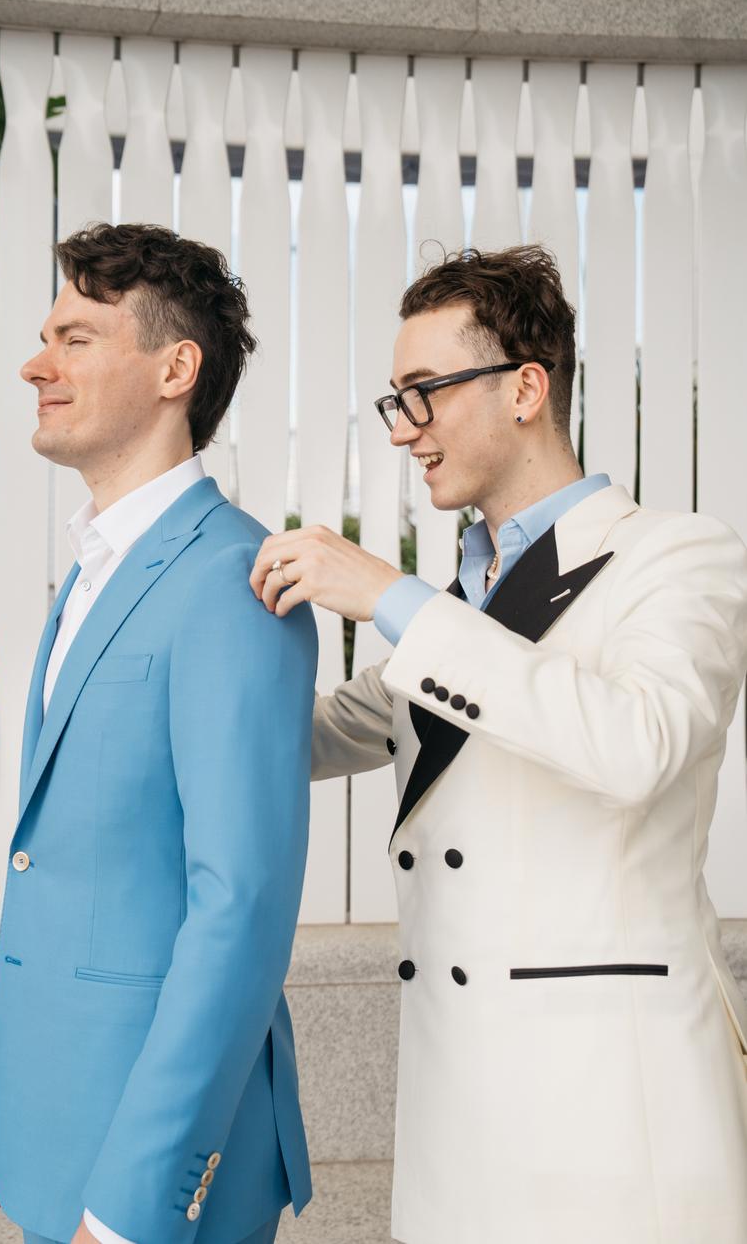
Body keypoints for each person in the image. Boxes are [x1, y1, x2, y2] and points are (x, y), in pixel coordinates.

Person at [250, 244, 747, 1244]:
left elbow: (637, 744)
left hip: (616, 1120)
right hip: (457, 1125)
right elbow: (327, 732)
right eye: (396, 402)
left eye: (425, 393)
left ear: (525, 388)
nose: (406, 430)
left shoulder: (676, 554)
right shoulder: (460, 606)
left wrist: (391, 597)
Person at [0, 223, 318, 1244]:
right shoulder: (94, 570)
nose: (36, 365)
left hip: (147, 1175)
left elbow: (238, 912)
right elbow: (71, 864)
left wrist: (131, 1208)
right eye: (45, 338)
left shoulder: (235, 582)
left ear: (175, 369)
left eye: (74, 339)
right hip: (53, 1117)